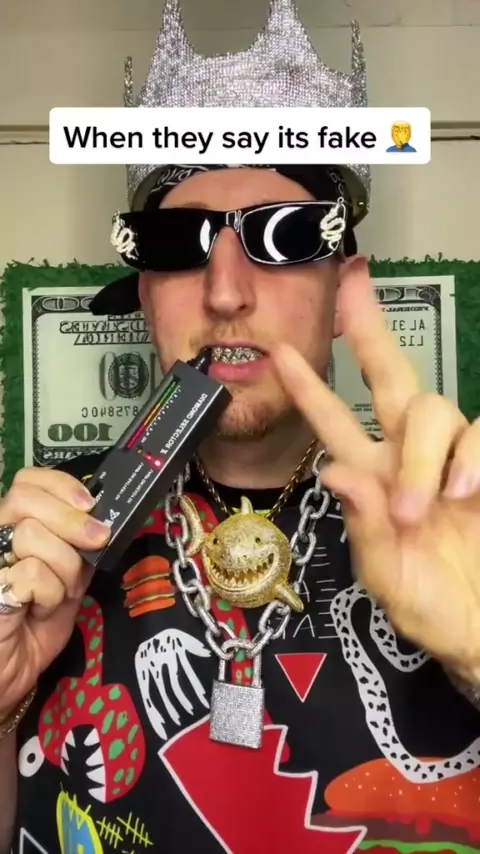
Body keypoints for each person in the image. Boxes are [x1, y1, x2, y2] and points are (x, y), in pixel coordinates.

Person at [3, 2, 480, 853]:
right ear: (145, 294)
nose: (226, 292)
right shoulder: (40, 542)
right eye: (176, 242)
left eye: (284, 237)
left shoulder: (459, 523)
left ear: (346, 292)